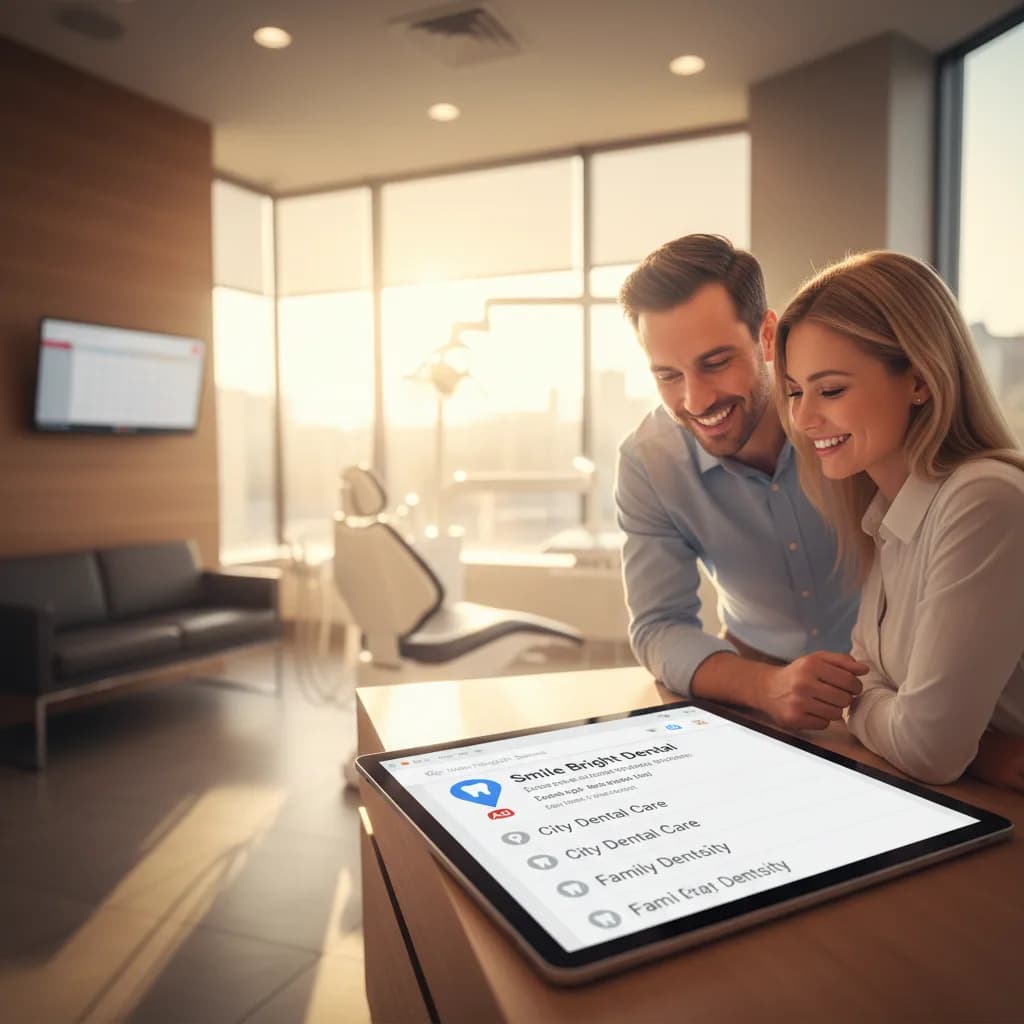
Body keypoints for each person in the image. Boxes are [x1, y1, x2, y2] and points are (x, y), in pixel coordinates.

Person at [775, 250, 1024, 789]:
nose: (803, 418)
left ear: (919, 380)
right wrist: (976, 746)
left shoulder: (981, 501)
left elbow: (929, 749)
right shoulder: (889, 513)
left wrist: (871, 710)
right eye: (795, 391)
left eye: (831, 390)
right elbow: (864, 681)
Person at [615, 234, 863, 731]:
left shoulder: (850, 413)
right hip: (757, 689)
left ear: (768, 335)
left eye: (715, 363)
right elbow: (659, 626)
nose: (696, 399)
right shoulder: (648, 461)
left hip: (896, 686)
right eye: (668, 375)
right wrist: (766, 687)